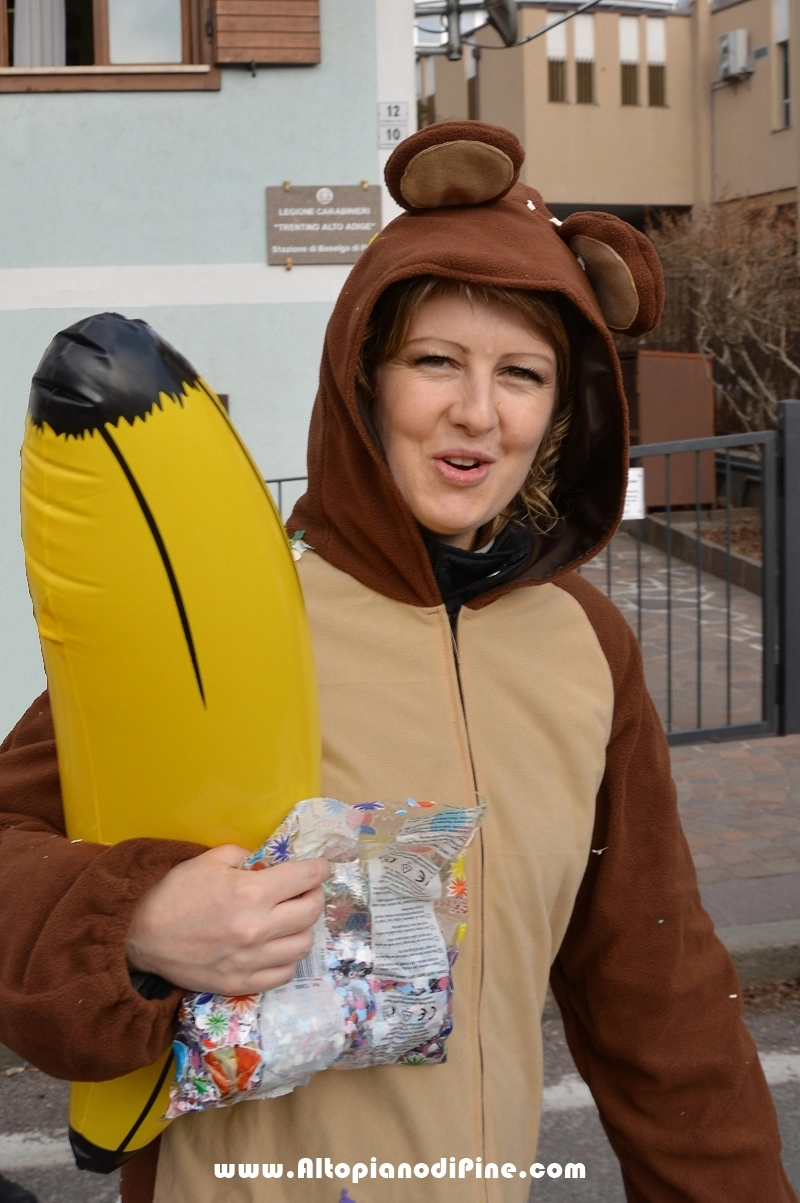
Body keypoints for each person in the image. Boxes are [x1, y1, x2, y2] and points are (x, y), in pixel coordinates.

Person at [0, 122, 796, 1203]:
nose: (477, 412)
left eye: (522, 374)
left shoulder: (586, 645)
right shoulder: (239, 612)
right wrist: (133, 920)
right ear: (363, 378)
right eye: (435, 362)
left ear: (561, 413)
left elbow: (658, 994)